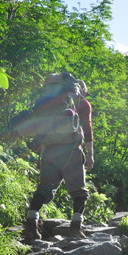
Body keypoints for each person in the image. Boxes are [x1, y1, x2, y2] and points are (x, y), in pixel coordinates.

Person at [21, 75, 94, 240]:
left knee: (44, 188)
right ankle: (76, 228)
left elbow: (45, 133)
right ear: (81, 91)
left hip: (50, 151)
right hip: (71, 151)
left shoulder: (50, 104)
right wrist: (90, 154)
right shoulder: (82, 103)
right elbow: (87, 129)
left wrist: (42, 157)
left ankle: (31, 225)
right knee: (79, 192)